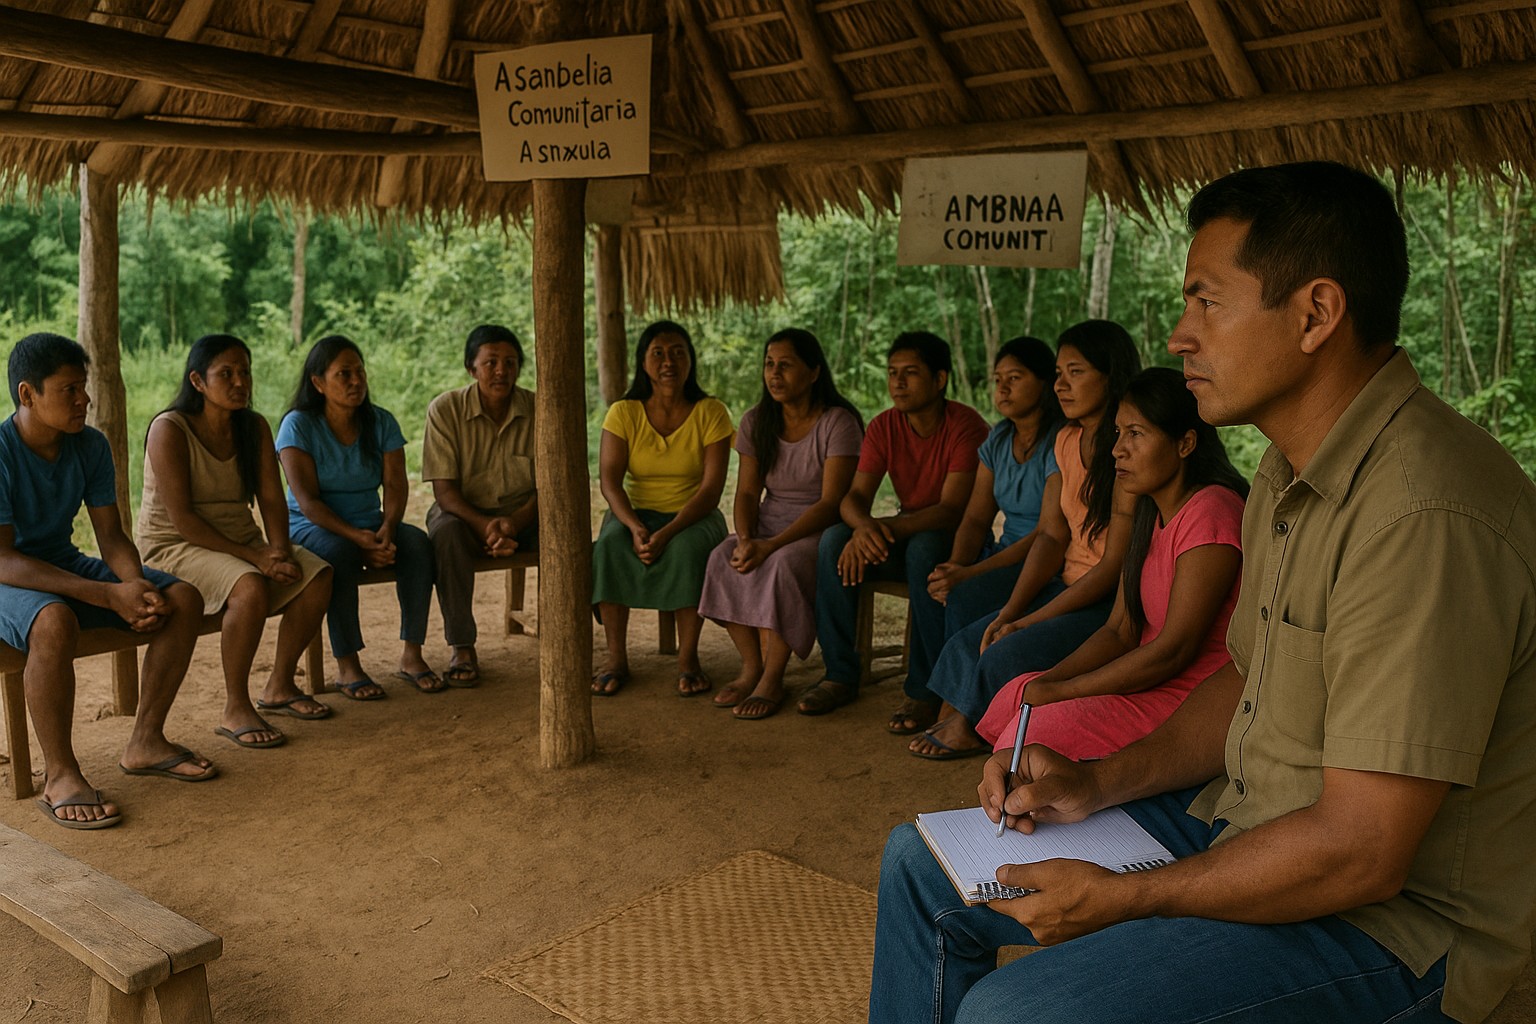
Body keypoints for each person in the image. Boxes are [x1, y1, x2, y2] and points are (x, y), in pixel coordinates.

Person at [870, 161, 1536, 1024]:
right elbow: (1243, 683)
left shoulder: (1423, 513)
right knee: (918, 865)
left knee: (1018, 1012)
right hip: (1252, 828)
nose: (1180, 335)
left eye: (1205, 301)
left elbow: (1365, 853)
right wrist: (1097, 784)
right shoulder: (1287, 475)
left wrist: (1130, 898)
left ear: (1315, 314)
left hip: (1390, 928)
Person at [971, 366, 1246, 761]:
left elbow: (1173, 651)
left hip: (1194, 695)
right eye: (1118, 433)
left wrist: (1065, 692)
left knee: (1037, 729)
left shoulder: (1211, 511)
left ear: (1185, 443)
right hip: (1150, 678)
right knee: (1019, 693)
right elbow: (1120, 629)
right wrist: (1053, 681)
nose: (1117, 449)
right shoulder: (1150, 513)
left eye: (1136, 434)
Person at [0, 333, 216, 831]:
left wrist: (135, 585)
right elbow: (5, 560)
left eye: (85, 387)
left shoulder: (90, 446)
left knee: (180, 598)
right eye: (69, 390)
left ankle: (146, 740)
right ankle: (60, 774)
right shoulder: (1, 452)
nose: (84, 400)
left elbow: (112, 535)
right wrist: (104, 593)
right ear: (27, 395)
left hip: (60, 564)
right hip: (7, 578)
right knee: (53, 621)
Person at [909, 321, 1140, 758]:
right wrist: (1012, 610)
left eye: (1076, 372)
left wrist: (1025, 621)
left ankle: (971, 725)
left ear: (1110, 375)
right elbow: (1051, 535)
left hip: (1107, 598)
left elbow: (1112, 567)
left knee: (1005, 650)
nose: (1061, 385)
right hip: (1065, 582)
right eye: (1058, 373)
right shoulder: (1067, 440)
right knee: (972, 638)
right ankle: (960, 711)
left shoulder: (1126, 447)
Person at [138, 334, 334, 749]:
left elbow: (270, 497)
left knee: (315, 575)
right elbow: (184, 521)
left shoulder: (254, 426)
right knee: (248, 587)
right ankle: (236, 706)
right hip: (175, 546)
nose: (240, 382)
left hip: (240, 541)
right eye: (225, 374)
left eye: (244, 372)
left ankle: (280, 685)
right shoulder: (169, 429)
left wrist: (278, 549)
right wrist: (256, 558)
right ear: (197, 381)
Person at [802, 331, 990, 717]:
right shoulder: (884, 425)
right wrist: (863, 529)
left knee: (923, 548)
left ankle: (925, 689)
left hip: (957, 541)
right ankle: (839, 673)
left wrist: (879, 528)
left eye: (910, 373)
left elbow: (951, 510)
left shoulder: (965, 426)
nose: (898, 383)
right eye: (892, 373)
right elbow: (853, 498)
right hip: (907, 532)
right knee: (834, 540)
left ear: (940, 379)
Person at [890, 336, 1063, 736]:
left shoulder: (1059, 441)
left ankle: (963, 709)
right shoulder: (998, 440)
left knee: (966, 593)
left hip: (1044, 561)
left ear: (1043, 383)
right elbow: (974, 517)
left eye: (1015, 378)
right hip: (1005, 553)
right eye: (997, 378)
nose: (1001, 388)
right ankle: (932, 690)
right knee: (942, 581)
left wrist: (971, 575)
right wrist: (957, 565)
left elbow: (1048, 532)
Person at [697, 328, 863, 719]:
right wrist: (747, 539)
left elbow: (831, 502)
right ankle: (750, 666)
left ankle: (773, 676)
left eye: (785, 365)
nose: (774, 374)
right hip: (768, 525)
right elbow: (747, 493)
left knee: (781, 565)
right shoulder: (756, 420)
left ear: (813, 372)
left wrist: (770, 546)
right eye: (769, 365)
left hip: (817, 531)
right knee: (722, 557)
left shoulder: (838, 422)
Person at [277, 335, 438, 699]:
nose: (355, 381)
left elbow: (396, 487)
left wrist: (386, 530)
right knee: (339, 556)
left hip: (371, 524)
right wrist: (357, 539)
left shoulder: (381, 422)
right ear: (318, 383)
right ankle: (348, 666)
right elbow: (308, 502)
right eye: (343, 374)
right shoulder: (298, 425)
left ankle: (412, 655)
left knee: (417, 545)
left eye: (360, 372)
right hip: (311, 527)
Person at [592, 320, 733, 697]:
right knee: (608, 546)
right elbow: (609, 481)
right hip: (634, 512)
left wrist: (670, 531)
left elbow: (710, 490)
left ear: (691, 361)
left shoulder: (711, 412)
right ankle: (616, 659)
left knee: (687, 551)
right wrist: (635, 526)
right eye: (658, 353)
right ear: (643, 362)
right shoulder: (623, 412)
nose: (668, 361)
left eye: (678, 352)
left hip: (693, 515)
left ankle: (688, 660)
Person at [422, 324, 537, 687]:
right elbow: (445, 493)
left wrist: (512, 524)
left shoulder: (539, 408)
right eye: (490, 363)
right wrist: (486, 525)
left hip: (525, 514)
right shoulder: (446, 409)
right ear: (471, 368)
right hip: (463, 512)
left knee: (569, 526)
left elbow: (551, 488)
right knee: (446, 533)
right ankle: (462, 646)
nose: (501, 371)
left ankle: (571, 633)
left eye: (510, 362)